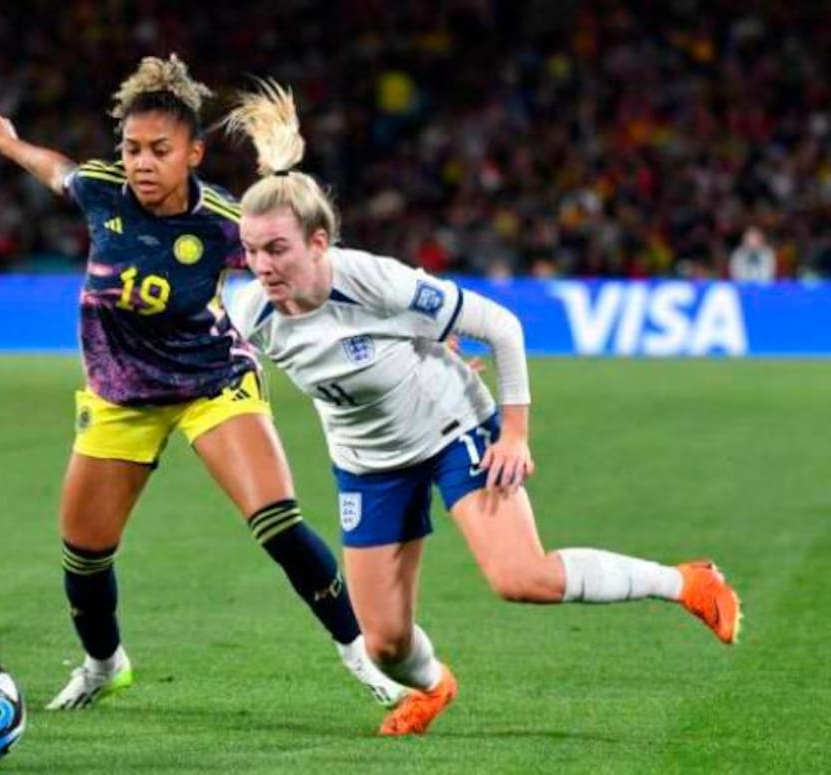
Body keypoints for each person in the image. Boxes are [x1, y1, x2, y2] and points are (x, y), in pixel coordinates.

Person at [223, 79, 743, 736]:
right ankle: (436, 686)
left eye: (278, 249)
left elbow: (500, 326)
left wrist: (515, 433)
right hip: (367, 463)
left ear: (319, 244)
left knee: (520, 577)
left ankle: (686, 582)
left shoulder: (375, 281)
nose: (262, 265)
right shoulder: (252, 314)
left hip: (451, 429)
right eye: (251, 251)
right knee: (384, 642)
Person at [0, 56, 411, 713]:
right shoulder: (103, 189)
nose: (141, 163)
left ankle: (363, 659)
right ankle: (103, 664)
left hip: (212, 383)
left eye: (159, 151)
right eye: (132, 149)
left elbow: (316, 267)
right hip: (120, 394)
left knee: (278, 522)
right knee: (84, 553)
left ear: (193, 154)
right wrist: (9, 143)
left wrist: (419, 322)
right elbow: (58, 170)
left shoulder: (224, 222)